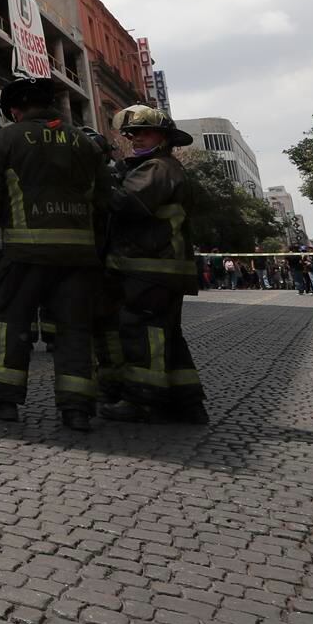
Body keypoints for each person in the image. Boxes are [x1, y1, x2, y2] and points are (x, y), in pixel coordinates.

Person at [0, 76, 106, 430]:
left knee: (11, 324)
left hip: (25, 254)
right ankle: (77, 408)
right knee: (75, 330)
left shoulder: (7, 139)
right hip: (78, 258)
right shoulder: (83, 143)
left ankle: (3, 402)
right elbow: (105, 201)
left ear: (15, 110)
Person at [98, 105, 207, 426]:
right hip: (162, 269)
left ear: (164, 137)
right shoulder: (159, 167)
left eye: (143, 133)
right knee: (167, 335)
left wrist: (98, 178)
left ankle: (142, 401)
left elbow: (126, 204)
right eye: (131, 134)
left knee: (141, 333)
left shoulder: (158, 168)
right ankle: (188, 403)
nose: (134, 139)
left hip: (150, 269)